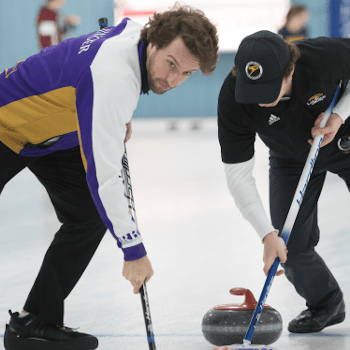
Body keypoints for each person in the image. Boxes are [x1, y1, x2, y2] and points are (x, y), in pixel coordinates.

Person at [1, 4, 218, 350]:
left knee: (86, 216)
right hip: (6, 121)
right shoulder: (115, 76)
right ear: (155, 42)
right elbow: (104, 176)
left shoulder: (134, 37)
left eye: (186, 74)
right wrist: (133, 250)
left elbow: (92, 90)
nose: (172, 80)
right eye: (171, 64)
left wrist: (108, 115)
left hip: (52, 134)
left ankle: (34, 321)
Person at [218, 30, 350, 334]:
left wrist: (340, 115)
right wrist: (267, 235)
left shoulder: (324, 58)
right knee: (288, 244)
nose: (260, 103)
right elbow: (237, 173)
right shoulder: (232, 97)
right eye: (252, 92)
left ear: (290, 71)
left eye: (268, 90)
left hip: (344, 138)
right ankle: (326, 302)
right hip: (290, 156)